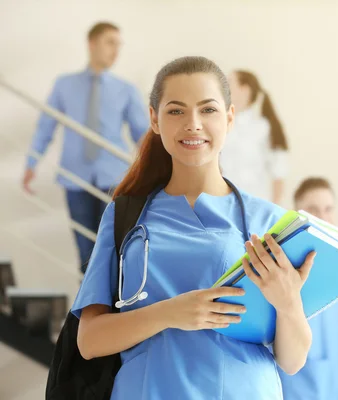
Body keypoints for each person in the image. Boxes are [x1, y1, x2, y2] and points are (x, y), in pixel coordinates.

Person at [71, 56, 316, 400]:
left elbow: (292, 361)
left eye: (208, 110)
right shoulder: (125, 216)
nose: (193, 124)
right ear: (154, 119)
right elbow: (89, 341)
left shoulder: (270, 222)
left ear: (229, 118)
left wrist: (290, 304)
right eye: (175, 111)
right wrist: (171, 312)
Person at [22, 22, 149, 271]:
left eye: (118, 45)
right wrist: (31, 163)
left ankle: (112, 308)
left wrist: (155, 174)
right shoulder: (64, 85)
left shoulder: (126, 89)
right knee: (85, 253)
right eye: (110, 43)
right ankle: (87, 309)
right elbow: (45, 127)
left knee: (113, 251)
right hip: (74, 178)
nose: (116, 50)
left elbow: (143, 137)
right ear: (92, 44)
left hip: (114, 180)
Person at [279, 177, 338, 400]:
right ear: (297, 213)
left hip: (337, 387)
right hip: (296, 388)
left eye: (328, 209)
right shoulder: (284, 266)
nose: (323, 217)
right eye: (313, 209)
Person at [220, 70, 289, 205]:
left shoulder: (262, 127)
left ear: (245, 90)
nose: (223, 88)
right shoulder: (221, 125)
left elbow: (279, 171)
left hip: (255, 206)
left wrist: (275, 210)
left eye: (229, 83)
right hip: (224, 204)